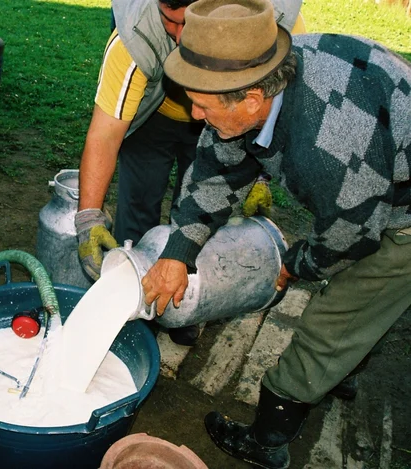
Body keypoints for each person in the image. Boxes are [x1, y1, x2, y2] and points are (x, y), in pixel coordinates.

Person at [141, 0, 411, 467]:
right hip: (370, 177)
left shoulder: (327, 144)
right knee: (355, 301)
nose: (195, 115)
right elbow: (213, 171)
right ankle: (342, 368)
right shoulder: (256, 79)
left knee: (337, 316)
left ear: (251, 101)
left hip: (398, 213)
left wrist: (294, 264)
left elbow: (351, 237)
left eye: (202, 106)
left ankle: (268, 440)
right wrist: (177, 252)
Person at [75, 0, 304, 346]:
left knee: (205, 212)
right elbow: (104, 134)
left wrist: (257, 175)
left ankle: (186, 301)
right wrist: (89, 217)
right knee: (139, 204)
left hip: (230, 118)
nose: (184, 38)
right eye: (172, 23)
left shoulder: (272, 26)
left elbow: (273, 113)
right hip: (153, 116)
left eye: (191, 23)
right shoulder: (135, 39)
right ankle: (137, 306)